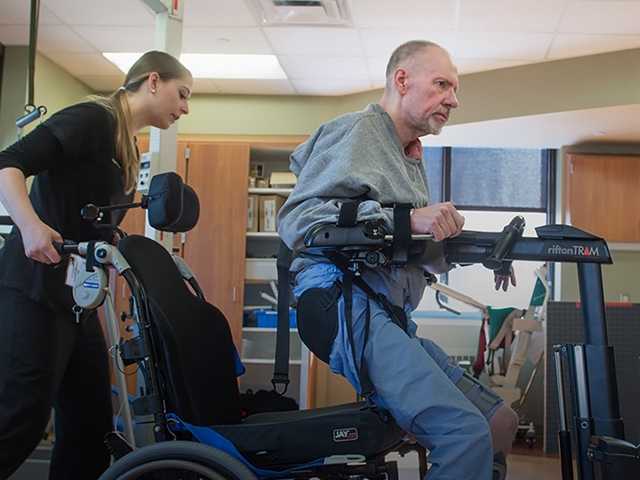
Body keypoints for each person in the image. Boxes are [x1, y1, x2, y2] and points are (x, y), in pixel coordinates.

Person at [277, 41, 519, 480]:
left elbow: (404, 247)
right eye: (442, 84)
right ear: (402, 80)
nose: (454, 99)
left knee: (498, 423)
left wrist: (488, 252)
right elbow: (299, 220)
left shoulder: (407, 155)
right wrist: (407, 219)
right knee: (463, 432)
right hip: (341, 302)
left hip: (386, 312)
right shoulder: (357, 133)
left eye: (455, 89)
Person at [0, 50, 192, 479]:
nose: (185, 108)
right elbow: (7, 164)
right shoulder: (93, 118)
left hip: (75, 299)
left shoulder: (126, 142)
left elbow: (81, 210)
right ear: (153, 81)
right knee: (20, 420)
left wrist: (109, 234)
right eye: (182, 94)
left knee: (90, 424)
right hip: (33, 288)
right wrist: (30, 226)